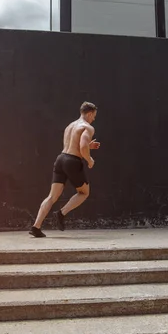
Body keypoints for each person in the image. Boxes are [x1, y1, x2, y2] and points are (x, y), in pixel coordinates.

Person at [29, 101, 100, 237]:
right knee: (84, 192)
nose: (93, 119)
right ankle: (61, 213)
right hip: (72, 161)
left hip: (61, 159)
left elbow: (75, 144)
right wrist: (89, 159)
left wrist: (88, 146)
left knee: (52, 196)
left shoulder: (70, 126)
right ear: (89, 113)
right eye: (94, 116)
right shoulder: (87, 127)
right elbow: (82, 147)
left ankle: (36, 227)